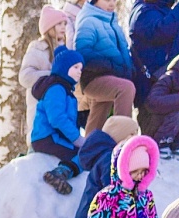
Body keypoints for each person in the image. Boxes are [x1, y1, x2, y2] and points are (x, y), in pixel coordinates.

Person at [78, 0, 141, 131]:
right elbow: (82, 52)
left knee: (99, 115)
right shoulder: (88, 21)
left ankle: (89, 148)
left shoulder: (113, 23)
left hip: (112, 77)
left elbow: (123, 50)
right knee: (125, 89)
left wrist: (130, 69)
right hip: (93, 78)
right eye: (107, 0)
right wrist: (111, 66)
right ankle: (123, 138)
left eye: (114, 0)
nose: (112, 4)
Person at [33, 47, 88, 193]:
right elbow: (56, 118)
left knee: (86, 150)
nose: (79, 71)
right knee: (83, 154)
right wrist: (76, 138)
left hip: (54, 136)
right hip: (47, 137)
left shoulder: (67, 91)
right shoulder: (56, 88)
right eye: (75, 67)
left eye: (81, 68)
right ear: (64, 68)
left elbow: (69, 118)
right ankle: (60, 173)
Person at [21, 6, 73, 140]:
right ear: (49, 27)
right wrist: (52, 76)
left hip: (61, 114)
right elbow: (25, 77)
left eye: (65, 24)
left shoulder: (65, 51)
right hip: (40, 116)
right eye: (59, 24)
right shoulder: (37, 49)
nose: (63, 27)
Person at [130, 0, 179, 88]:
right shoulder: (143, 12)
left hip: (171, 81)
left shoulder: (164, 9)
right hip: (151, 84)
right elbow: (163, 31)